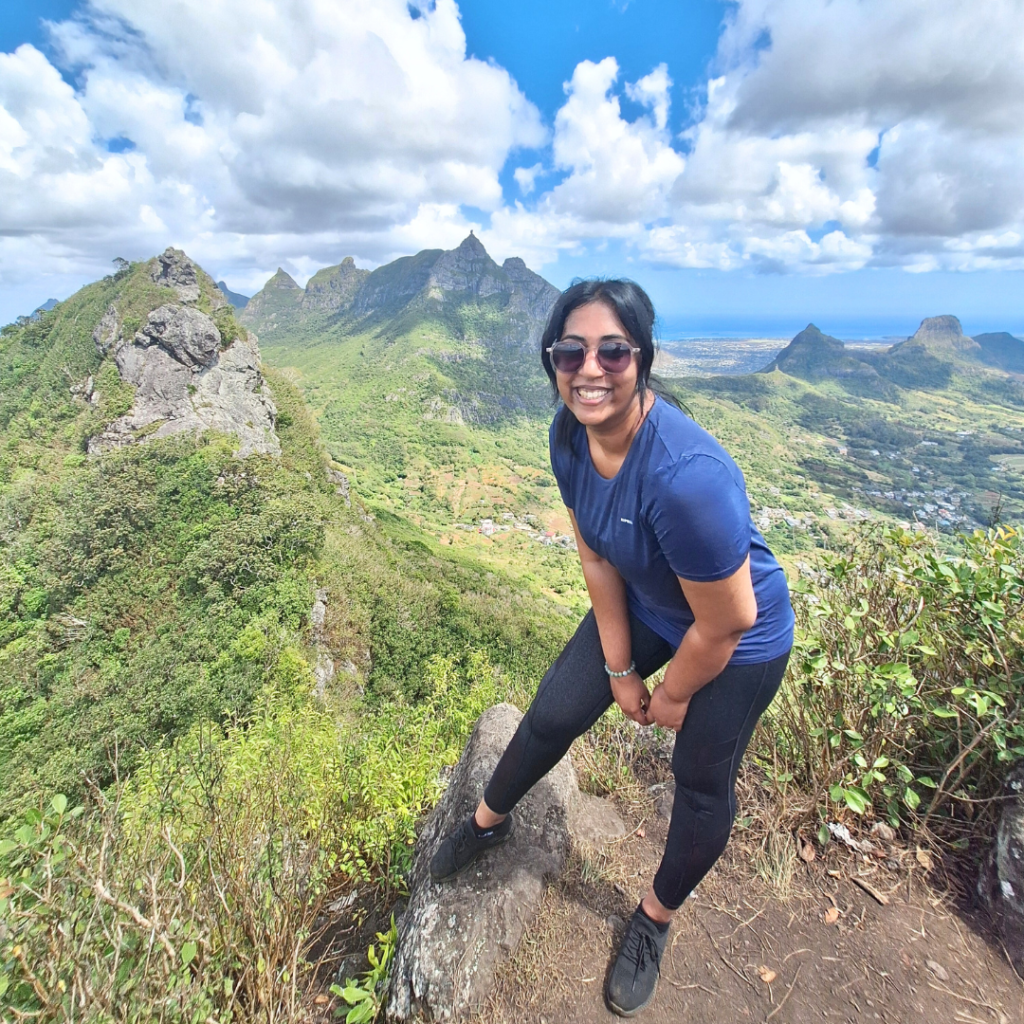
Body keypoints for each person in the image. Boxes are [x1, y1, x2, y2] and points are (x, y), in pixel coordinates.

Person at [429, 279, 795, 1017]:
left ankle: (654, 919)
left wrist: (672, 695)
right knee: (555, 711)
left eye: (612, 351)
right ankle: (486, 822)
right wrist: (621, 671)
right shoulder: (570, 434)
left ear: (644, 359)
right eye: (570, 351)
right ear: (552, 361)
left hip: (738, 635)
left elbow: (724, 622)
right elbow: (597, 558)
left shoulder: (687, 480)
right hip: (651, 601)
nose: (588, 368)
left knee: (698, 780)